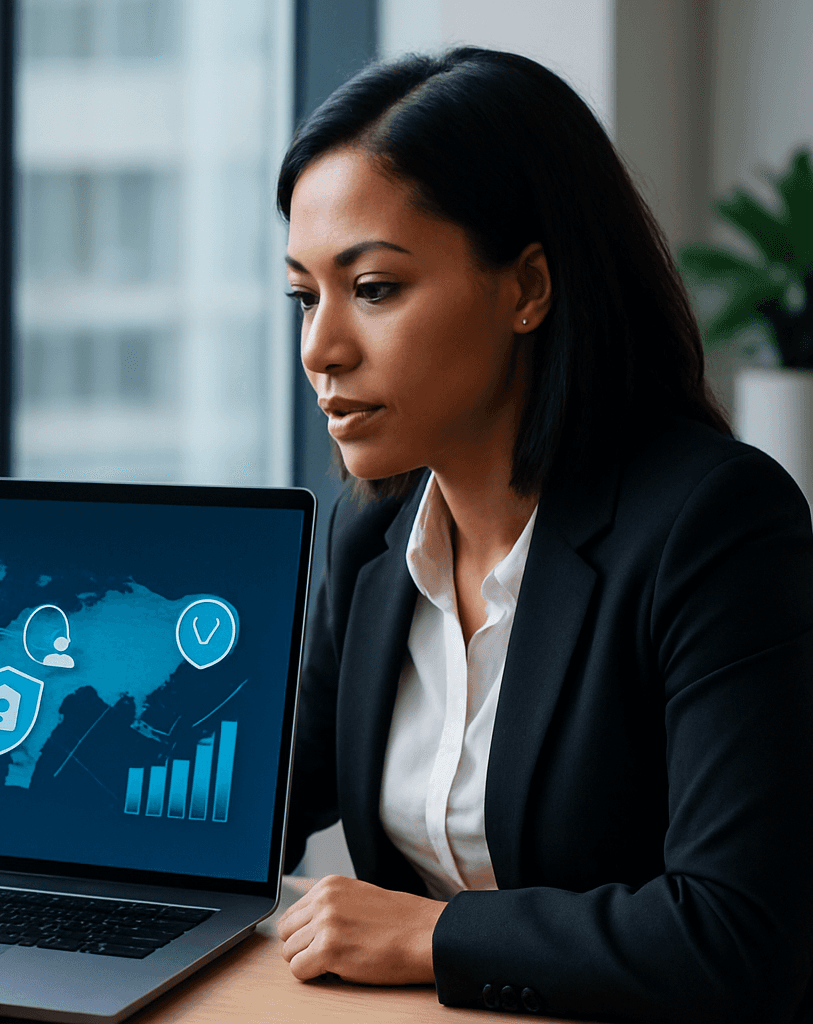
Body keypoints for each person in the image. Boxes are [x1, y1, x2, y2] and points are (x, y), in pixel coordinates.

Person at [272, 47, 813, 1022]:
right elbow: (259, 811)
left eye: (376, 288)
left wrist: (429, 933)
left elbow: (738, 931)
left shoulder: (715, 524)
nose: (322, 347)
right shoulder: (373, 539)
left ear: (527, 287)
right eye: (305, 295)